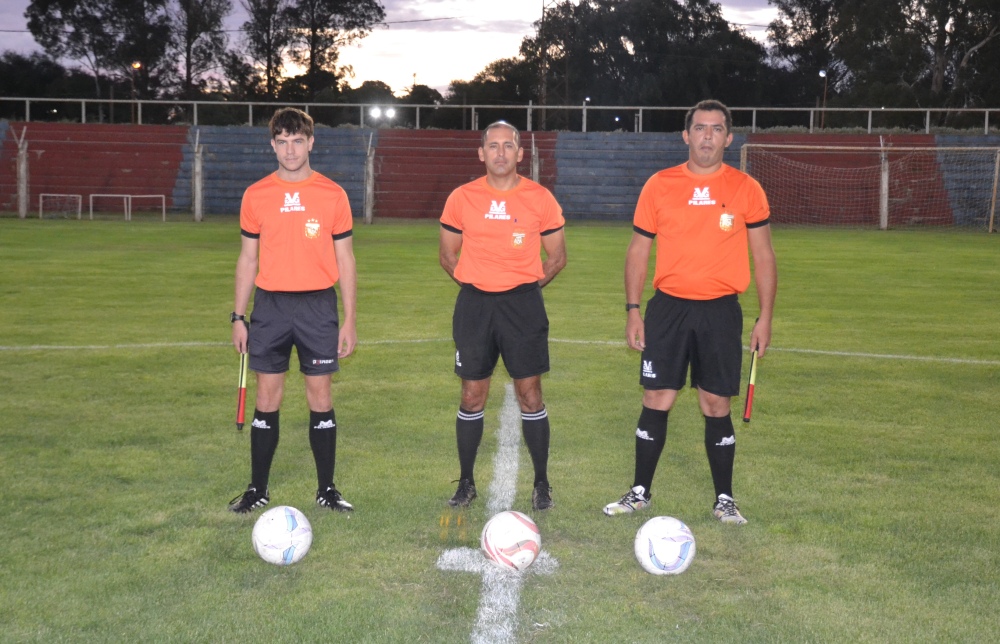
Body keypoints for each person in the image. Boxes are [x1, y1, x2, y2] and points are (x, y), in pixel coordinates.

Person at [603, 100, 777, 524]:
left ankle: (725, 499)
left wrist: (765, 316)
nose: (707, 136)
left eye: (717, 129)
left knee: (716, 403)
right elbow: (638, 252)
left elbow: (764, 256)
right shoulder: (659, 185)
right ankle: (639, 492)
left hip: (720, 311)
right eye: (700, 128)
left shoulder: (746, 188)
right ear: (686, 135)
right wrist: (632, 309)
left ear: (729, 137)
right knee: (656, 397)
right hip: (668, 309)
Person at [228, 107, 358, 514]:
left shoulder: (333, 194)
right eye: (281, 142)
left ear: (311, 142)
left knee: (320, 393)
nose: (289, 149)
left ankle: (327, 490)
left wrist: (350, 318)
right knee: (267, 395)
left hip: (318, 305)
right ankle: (257, 489)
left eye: (297, 140)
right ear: (272, 145)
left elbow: (347, 259)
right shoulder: (256, 195)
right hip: (271, 306)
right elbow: (248, 259)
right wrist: (238, 315)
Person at [439, 121, 567, 511]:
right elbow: (447, 254)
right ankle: (465, 483)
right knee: (472, 394)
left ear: (519, 153)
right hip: (475, 305)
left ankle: (542, 483)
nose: (499, 153)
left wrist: (523, 287)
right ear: (481, 153)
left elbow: (557, 256)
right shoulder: (461, 198)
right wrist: (477, 282)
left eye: (507, 146)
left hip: (522, 307)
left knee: (530, 394)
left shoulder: (540, 198)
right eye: (492, 146)